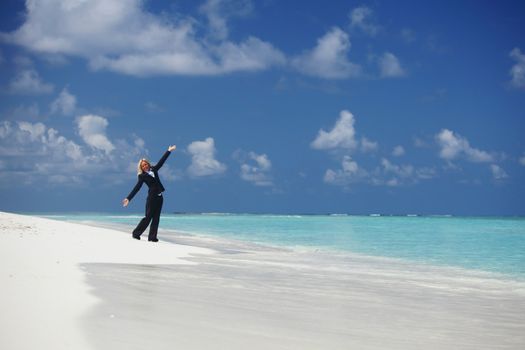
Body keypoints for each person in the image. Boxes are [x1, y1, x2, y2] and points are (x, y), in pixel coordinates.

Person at [122, 145, 176, 242]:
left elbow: (161, 162)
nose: (145, 166)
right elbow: (137, 188)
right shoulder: (142, 176)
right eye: (142, 166)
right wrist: (128, 198)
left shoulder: (154, 169)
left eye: (145, 164)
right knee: (148, 217)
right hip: (152, 198)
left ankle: (152, 237)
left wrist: (169, 151)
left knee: (156, 218)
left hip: (160, 197)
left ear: (148, 164)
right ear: (141, 168)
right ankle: (136, 233)